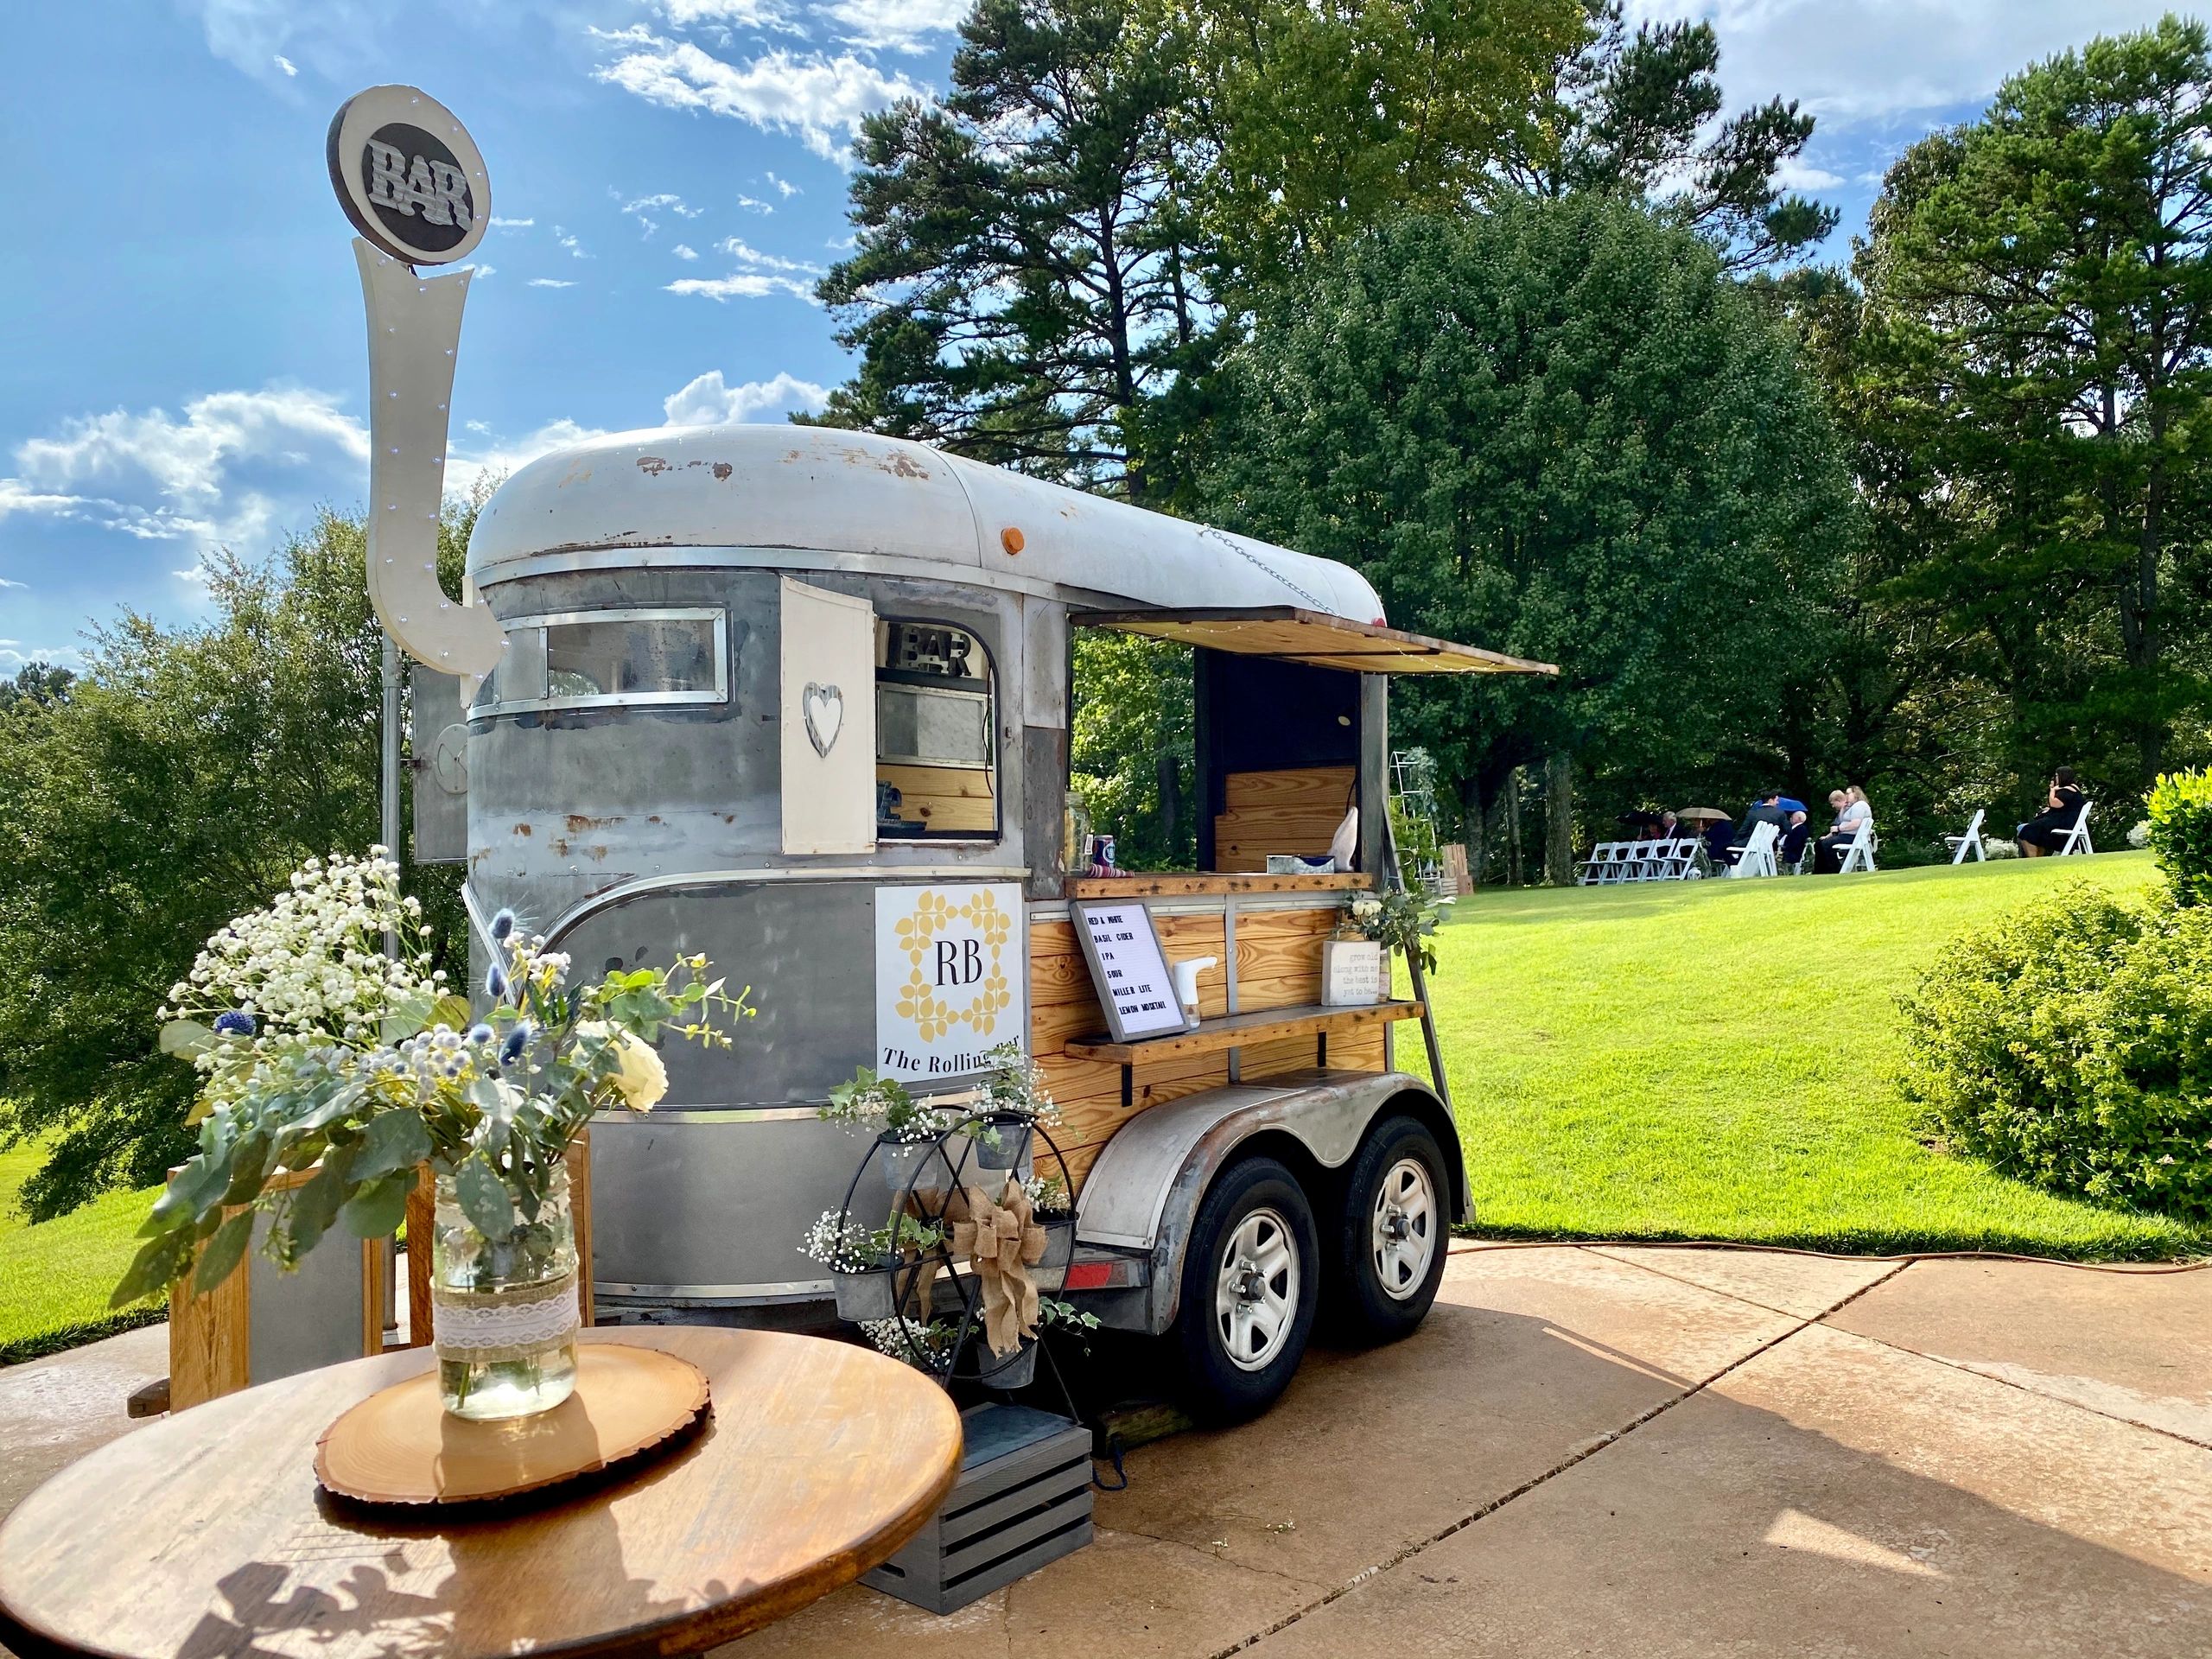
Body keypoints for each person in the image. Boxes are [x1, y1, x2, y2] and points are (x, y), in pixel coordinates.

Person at [2018, 768, 2088, 856]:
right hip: (2065, 820)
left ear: (2063, 776)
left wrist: (2052, 790)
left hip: (2064, 823)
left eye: (2057, 776)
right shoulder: (2071, 789)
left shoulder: (2068, 790)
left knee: (2026, 831)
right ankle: (2037, 858)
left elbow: (2054, 803)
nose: (2056, 778)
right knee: (2034, 832)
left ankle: (2033, 860)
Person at [1813, 787, 1873, 874]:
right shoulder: (1853, 806)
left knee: (1826, 844)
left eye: (1848, 793)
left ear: (1856, 794)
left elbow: (1855, 824)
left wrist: (1838, 828)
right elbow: (1842, 821)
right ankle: (1822, 871)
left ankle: (1834, 870)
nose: (1846, 796)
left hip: (1852, 836)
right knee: (1822, 843)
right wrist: (1843, 809)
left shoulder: (1860, 805)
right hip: (1849, 835)